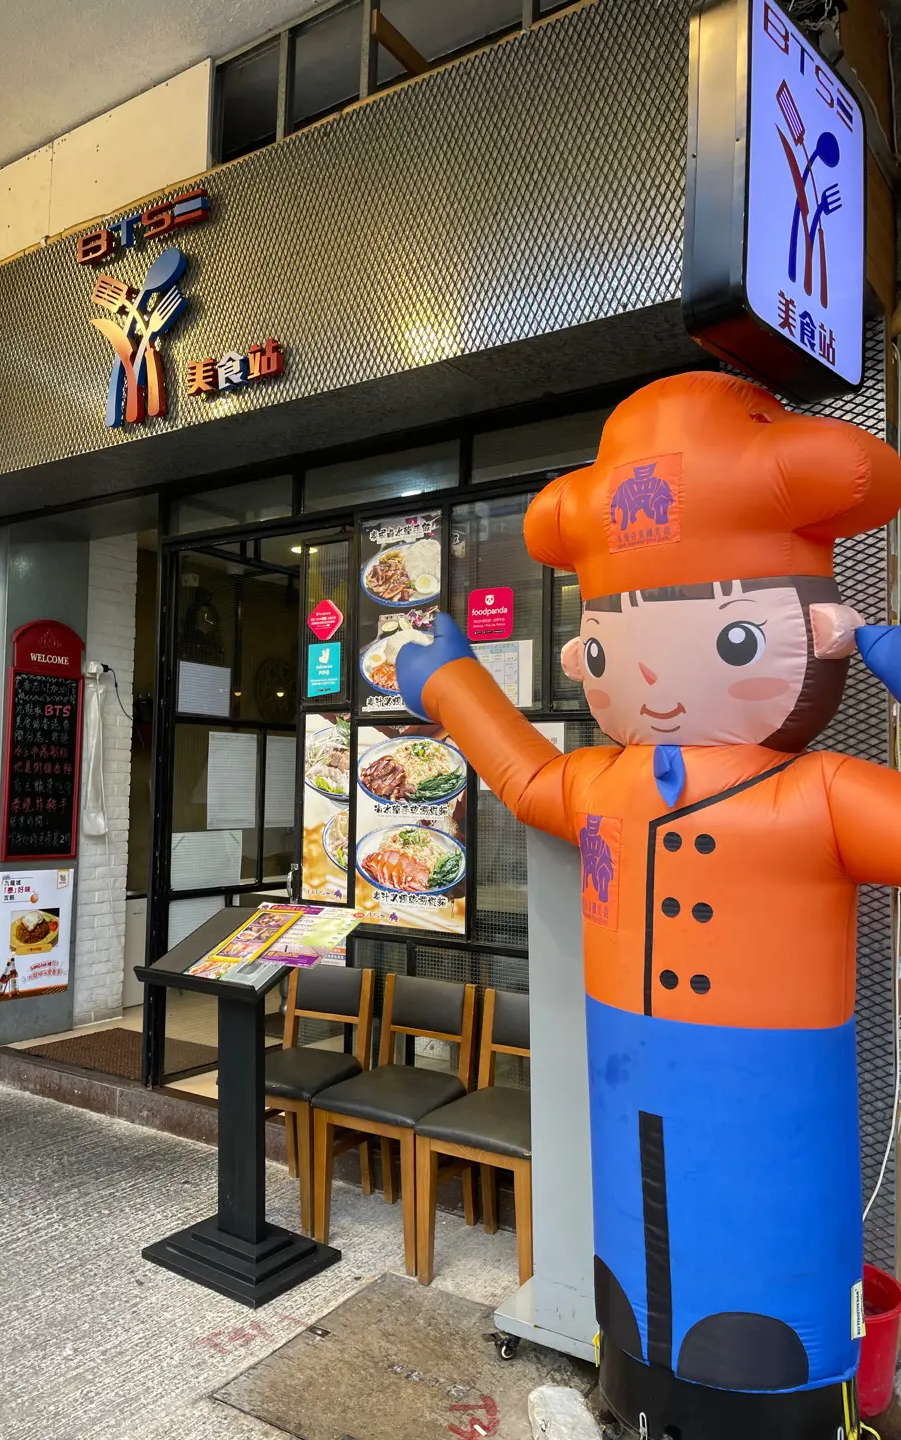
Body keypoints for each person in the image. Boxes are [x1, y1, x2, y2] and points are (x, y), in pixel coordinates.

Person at [397, 371, 901, 1439]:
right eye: (610, 641)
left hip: (769, 1089)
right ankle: (627, 1403)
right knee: (633, 1262)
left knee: (759, 1294)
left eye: (731, 639)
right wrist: (450, 685)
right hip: (626, 1069)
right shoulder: (608, 782)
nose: (656, 682)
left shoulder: (818, 794)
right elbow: (529, 778)